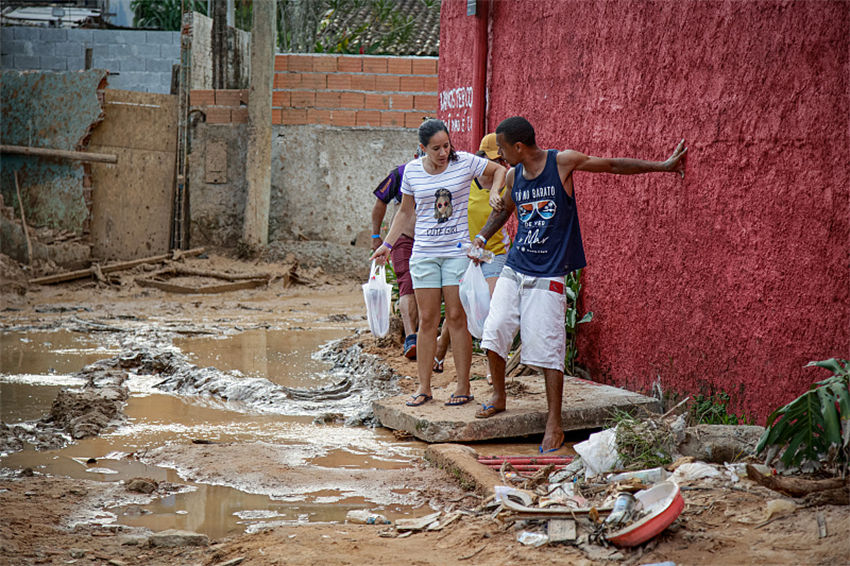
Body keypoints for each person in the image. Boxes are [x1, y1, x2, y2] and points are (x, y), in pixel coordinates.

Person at [472, 116, 687, 452]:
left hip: (549, 270)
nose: (498, 156)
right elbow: (507, 209)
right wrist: (483, 237)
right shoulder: (514, 175)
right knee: (495, 327)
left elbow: (613, 166)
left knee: (548, 346)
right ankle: (499, 396)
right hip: (516, 265)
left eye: (501, 148)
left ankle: (554, 422)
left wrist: (662, 166)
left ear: (518, 146)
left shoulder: (562, 163)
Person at [370, 119, 507, 407]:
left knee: (457, 318)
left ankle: (463, 386)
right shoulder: (411, 172)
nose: (443, 152)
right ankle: (423, 388)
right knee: (428, 320)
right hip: (424, 255)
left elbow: (500, 171)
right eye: (436, 148)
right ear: (423, 148)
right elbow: (405, 213)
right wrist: (386, 244)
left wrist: (495, 191)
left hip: (457, 253)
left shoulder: (465, 162)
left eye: (446, 146)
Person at [433, 133, 512, 379]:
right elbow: (444, 219)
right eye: (495, 159)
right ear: (482, 158)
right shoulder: (463, 184)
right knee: (460, 309)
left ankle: (493, 367)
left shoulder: (507, 184)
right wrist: (462, 248)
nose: (501, 164)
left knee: (493, 306)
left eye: (503, 159)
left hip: (495, 252)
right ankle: (439, 350)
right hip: (464, 253)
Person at [371, 163, 418, 359]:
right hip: (403, 237)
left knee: (429, 287)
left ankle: (426, 336)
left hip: (433, 241)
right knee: (406, 283)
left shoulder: (449, 171)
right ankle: (411, 338)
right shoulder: (401, 173)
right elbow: (380, 202)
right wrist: (376, 236)